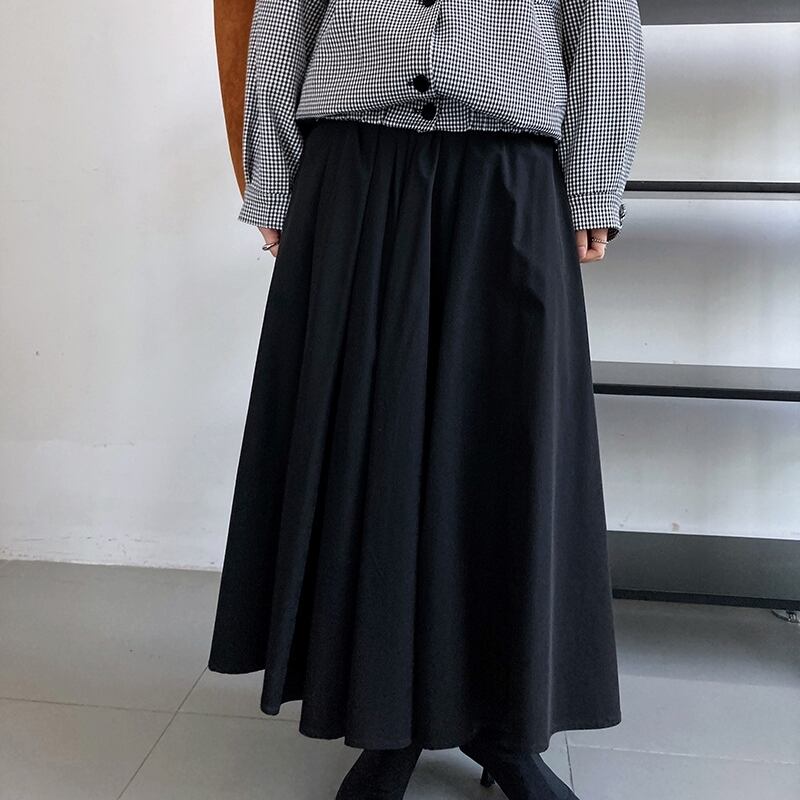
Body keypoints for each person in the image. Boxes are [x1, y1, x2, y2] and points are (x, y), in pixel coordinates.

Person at [207, 1, 646, 798]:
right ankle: (386, 719)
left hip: (510, 169)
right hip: (355, 165)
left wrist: (595, 182)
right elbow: (283, 19)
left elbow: (603, 21)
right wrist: (273, 180)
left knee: (506, 449)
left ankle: (505, 728)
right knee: (372, 447)